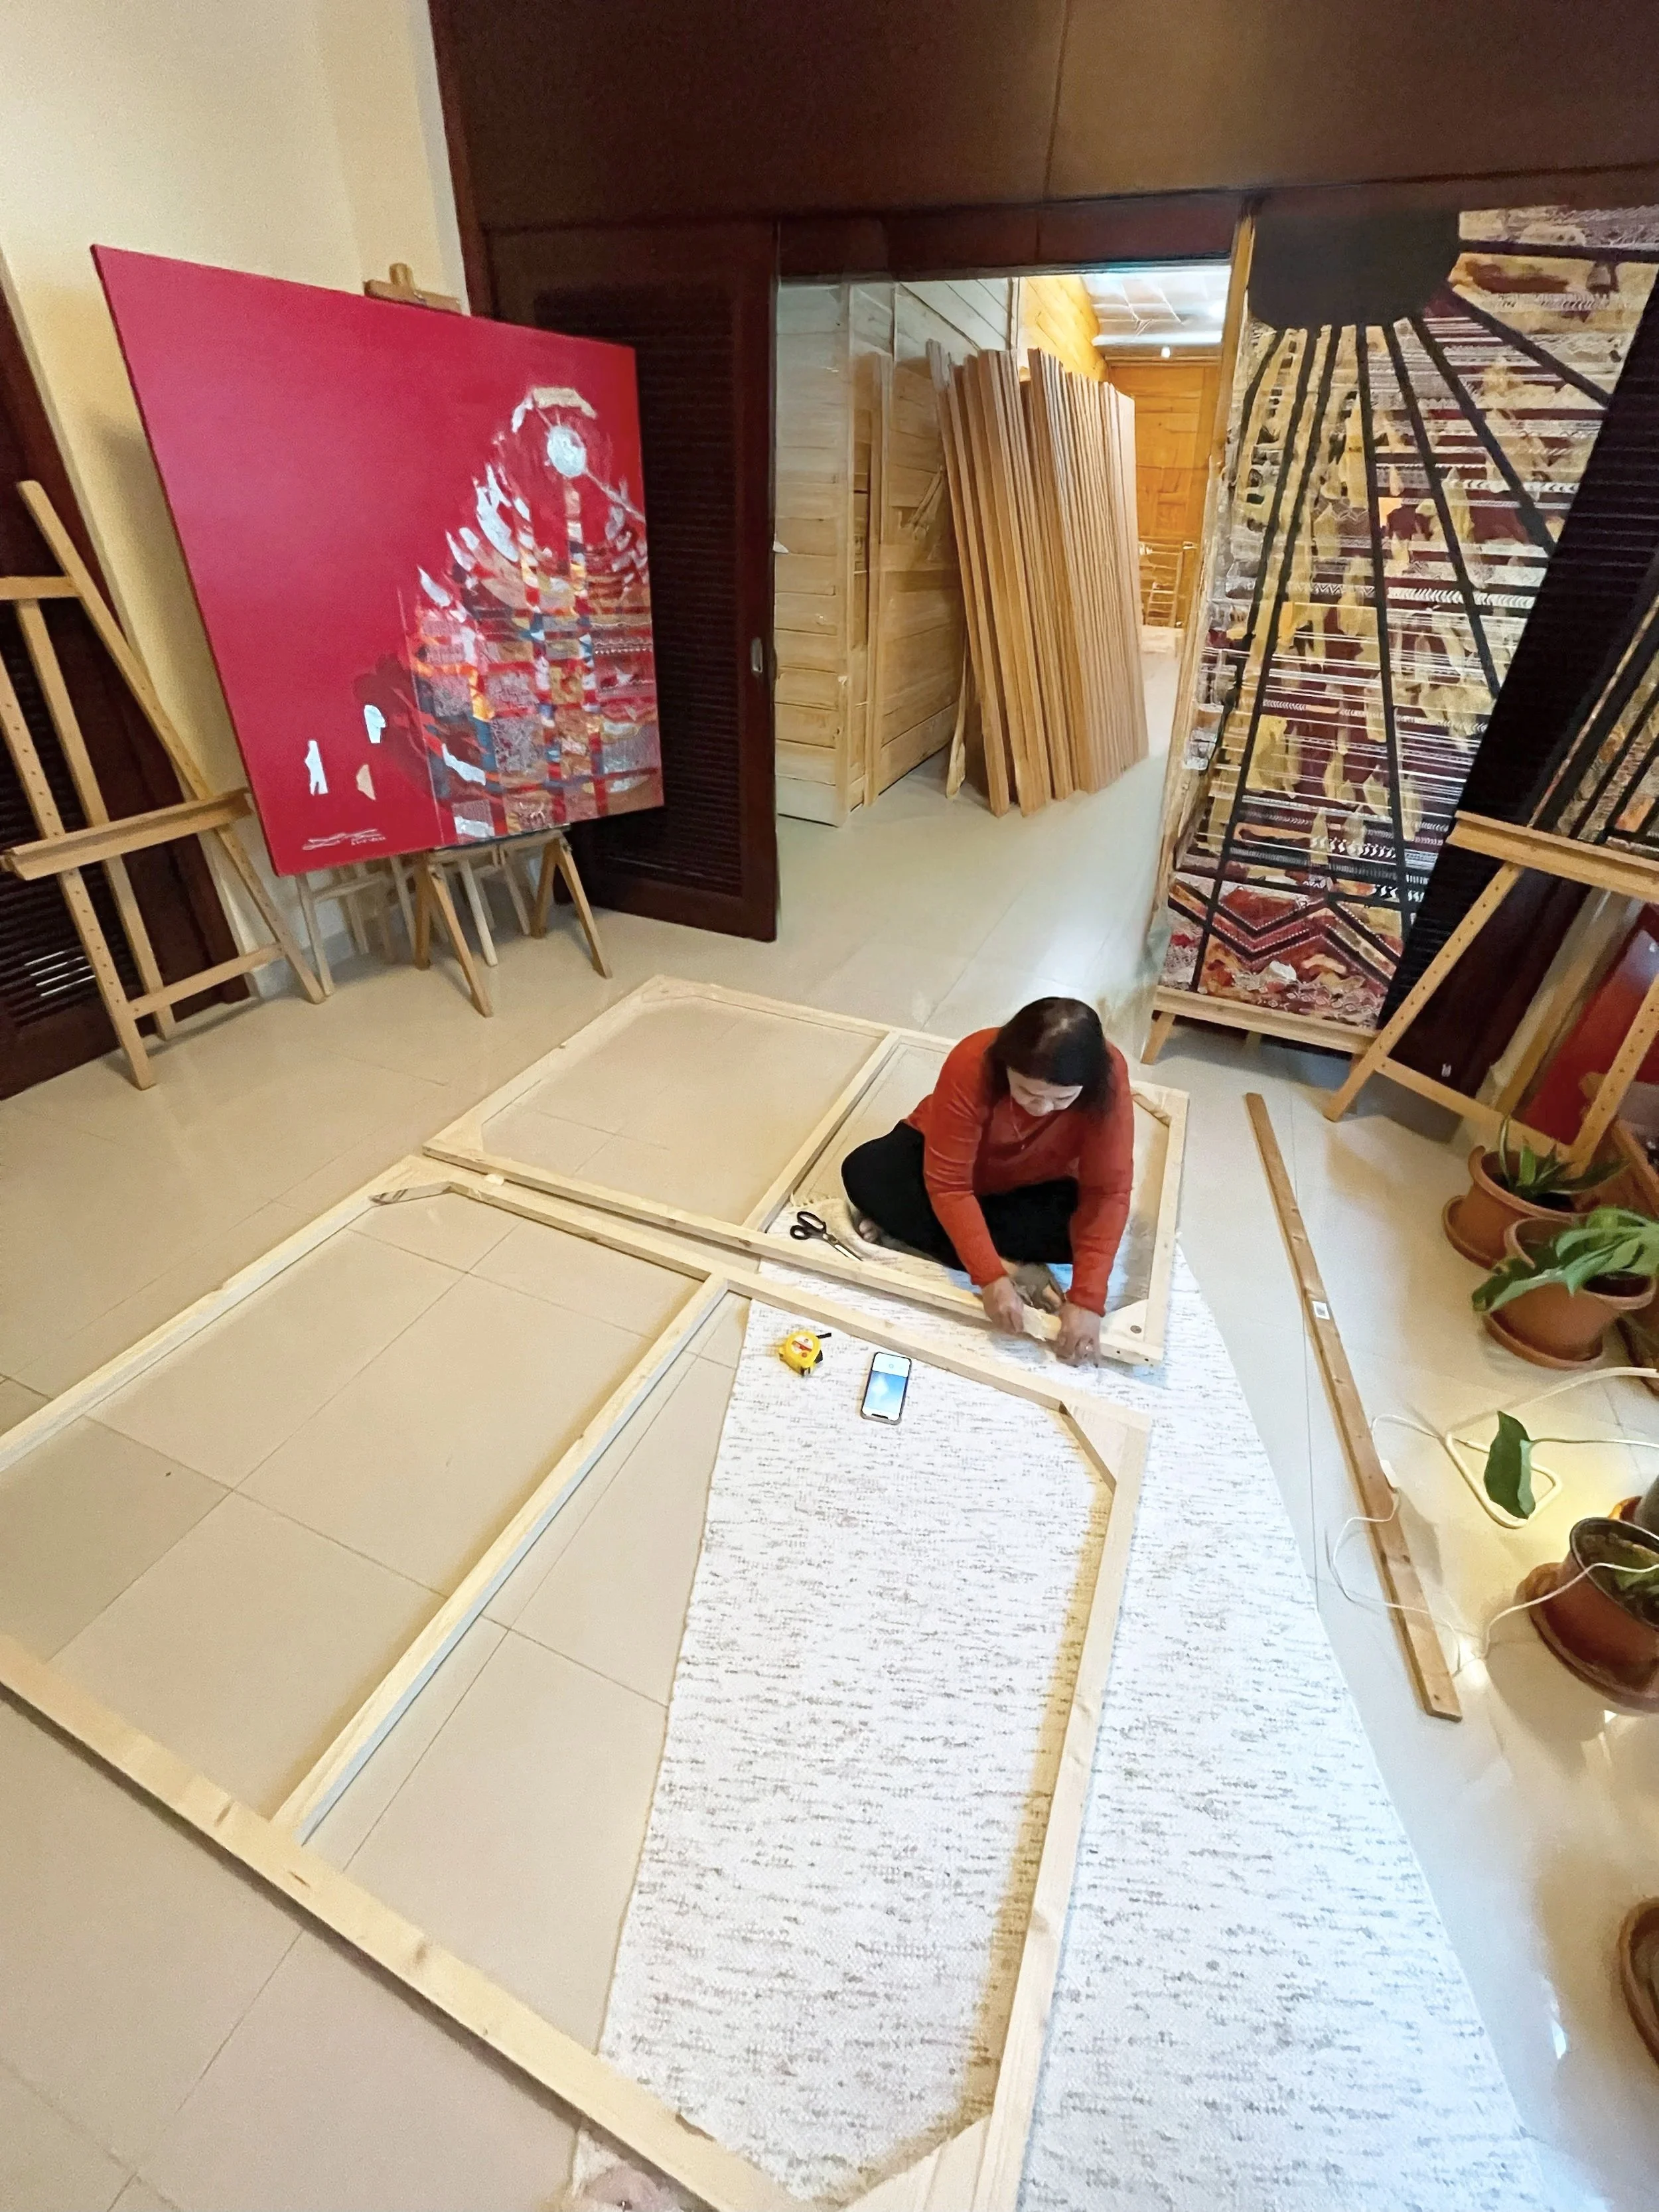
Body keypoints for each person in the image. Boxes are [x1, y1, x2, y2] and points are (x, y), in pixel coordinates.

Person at [840, 997, 1133, 1366]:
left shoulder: (1107, 1076)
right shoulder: (973, 1059)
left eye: (1061, 1099)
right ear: (1007, 1064)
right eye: (1027, 1092)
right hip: (947, 1166)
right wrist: (991, 1276)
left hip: (1031, 1181)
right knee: (866, 1173)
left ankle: (926, 1234)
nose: (1041, 1108)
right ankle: (1010, 1265)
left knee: (1080, 1234)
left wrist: (1088, 1301)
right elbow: (949, 1184)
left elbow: (1107, 1192)